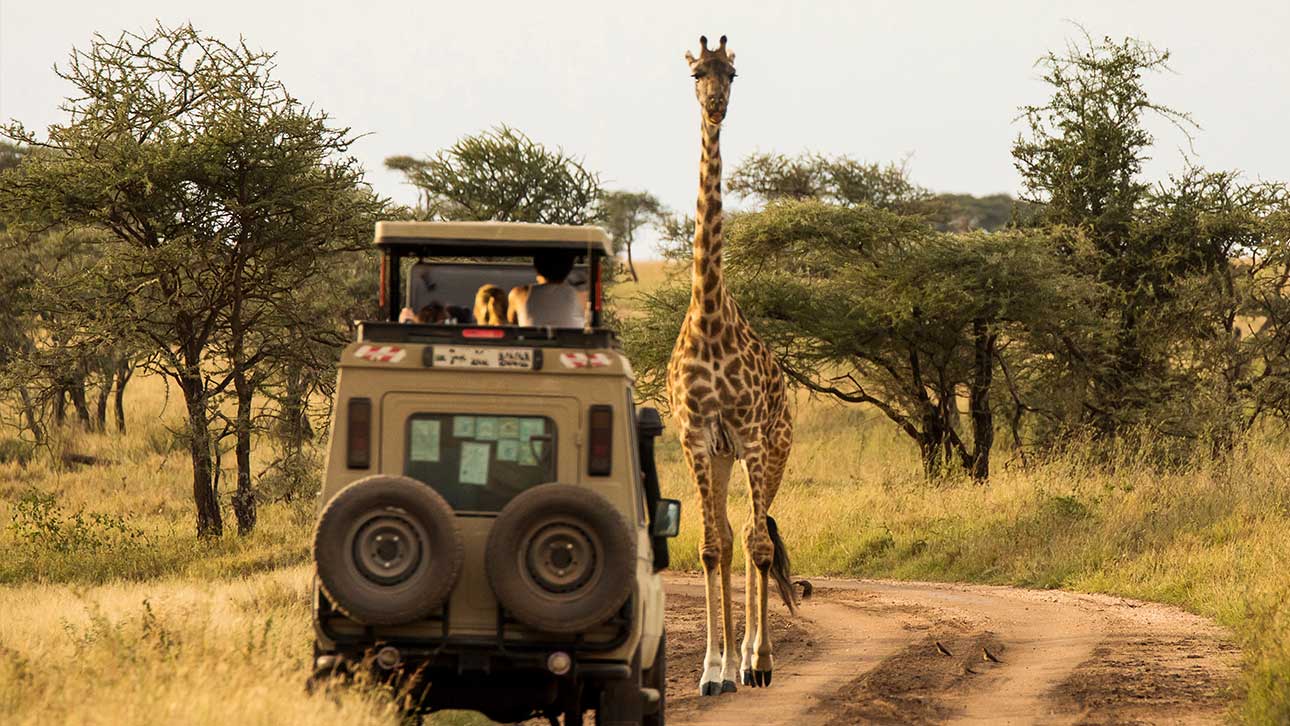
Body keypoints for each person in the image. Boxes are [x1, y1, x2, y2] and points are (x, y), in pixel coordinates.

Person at [509, 251, 584, 328]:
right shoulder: (581, 296)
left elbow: (512, 324)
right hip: (571, 339)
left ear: (536, 267)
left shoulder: (519, 294)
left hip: (531, 339)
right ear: (569, 268)